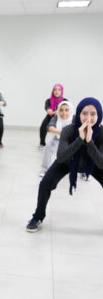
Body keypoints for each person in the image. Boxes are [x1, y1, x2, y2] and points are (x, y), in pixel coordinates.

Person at [27, 98, 103, 232]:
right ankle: (38, 216)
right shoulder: (69, 130)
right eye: (84, 113)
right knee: (45, 184)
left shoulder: (102, 134)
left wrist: (90, 141)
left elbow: (101, 163)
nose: (88, 118)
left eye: (93, 114)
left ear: (99, 115)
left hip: (93, 163)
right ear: (78, 113)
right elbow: (61, 157)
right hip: (68, 161)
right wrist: (79, 140)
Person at [39, 101, 74, 177]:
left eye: (66, 110)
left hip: (72, 140)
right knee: (48, 147)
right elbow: (49, 127)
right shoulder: (56, 118)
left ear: (70, 110)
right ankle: (45, 170)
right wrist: (60, 132)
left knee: (83, 149)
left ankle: (85, 172)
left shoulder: (74, 118)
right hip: (58, 139)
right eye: (61, 110)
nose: (64, 113)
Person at [39, 84, 68, 149]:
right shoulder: (48, 100)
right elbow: (47, 107)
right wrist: (49, 110)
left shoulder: (65, 100)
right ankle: (42, 143)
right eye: (55, 89)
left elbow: (67, 109)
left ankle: (64, 144)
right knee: (43, 127)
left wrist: (57, 112)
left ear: (61, 91)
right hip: (50, 116)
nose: (57, 91)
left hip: (61, 117)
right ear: (53, 91)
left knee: (65, 129)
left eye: (59, 90)